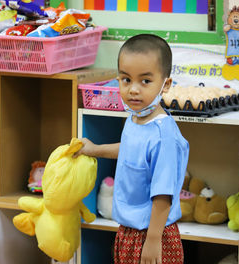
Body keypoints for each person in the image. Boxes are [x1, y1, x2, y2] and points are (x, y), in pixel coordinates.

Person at [74, 34, 189, 264]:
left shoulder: (163, 136)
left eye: (145, 81)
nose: (133, 89)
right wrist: (94, 149)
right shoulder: (135, 119)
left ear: (165, 84)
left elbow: (163, 195)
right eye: (126, 80)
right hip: (129, 231)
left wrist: (154, 240)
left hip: (153, 233)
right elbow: (130, 150)